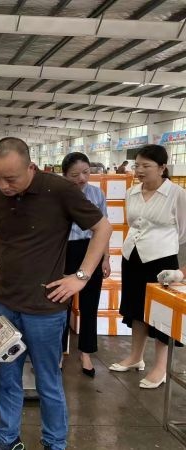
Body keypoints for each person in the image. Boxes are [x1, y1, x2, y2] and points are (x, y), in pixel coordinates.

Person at [0, 137, 111, 450]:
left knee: (48, 380)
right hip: (5, 303)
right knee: (6, 377)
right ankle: (7, 438)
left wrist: (81, 276)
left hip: (46, 308)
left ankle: (54, 442)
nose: (3, 185)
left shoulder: (59, 190)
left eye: (11, 178)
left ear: (30, 168)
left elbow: (103, 228)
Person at [110, 145, 186, 389]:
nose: (140, 170)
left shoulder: (177, 194)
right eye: (137, 165)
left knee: (162, 314)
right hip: (132, 257)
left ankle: (160, 367)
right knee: (135, 308)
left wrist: (180, 270)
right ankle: (136, 356)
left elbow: (183, 233)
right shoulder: (132, 192)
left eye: (146, 166)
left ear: (162, 168)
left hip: (162, 260)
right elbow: (132, 223)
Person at [60, 152, 111, 378]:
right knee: (61, 304)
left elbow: (104, 228)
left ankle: (86, 353)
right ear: (64, 175)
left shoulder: (96, 194)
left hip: (92, 250)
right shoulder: (58, 194)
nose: (81, 178)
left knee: (90, 304)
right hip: (65, 251)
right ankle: (59, 351)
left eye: (86, 172)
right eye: (75, 175)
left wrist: (106, 257)